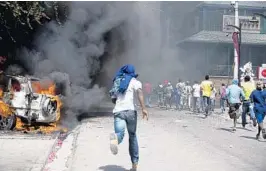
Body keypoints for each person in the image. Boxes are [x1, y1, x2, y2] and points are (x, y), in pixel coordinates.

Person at [109, 64, 148, 171]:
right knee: (132, 136)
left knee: (119, 134)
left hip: (119, 111)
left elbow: (113, 99)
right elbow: (140, 93)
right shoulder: (135, 81)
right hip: (131, 112)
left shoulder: (117, 81)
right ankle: (134, 164)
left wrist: (118, 100)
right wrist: (143, 108)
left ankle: (116, 140)